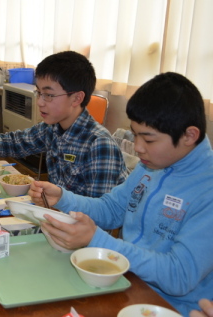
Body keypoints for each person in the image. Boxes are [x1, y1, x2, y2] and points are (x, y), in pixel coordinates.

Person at [30, 72, 213, 316]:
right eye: (135, 134)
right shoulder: (152, 165)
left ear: (190, 136)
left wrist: (97, 240)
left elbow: (179, 275)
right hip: (124, 282)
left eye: (148, 139)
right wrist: (62, 198)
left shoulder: (207, 189)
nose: (137, 147)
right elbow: (113, 209)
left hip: (170, 306)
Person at [0, 51, 127, 197]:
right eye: (39, 93)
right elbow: (15, 141)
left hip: (81, 233)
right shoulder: (52, 128)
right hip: (56, 217)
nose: (40, 102)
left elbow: (99, 214)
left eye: (48, 95)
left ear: (77, 98)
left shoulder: (99, 145)